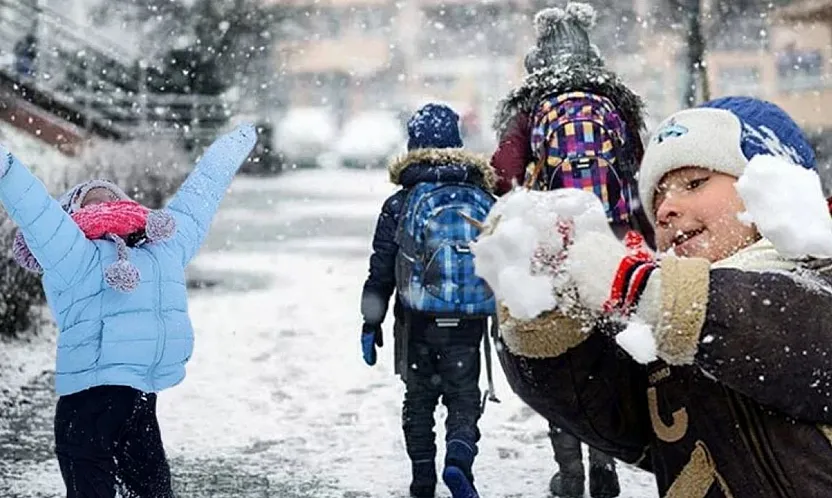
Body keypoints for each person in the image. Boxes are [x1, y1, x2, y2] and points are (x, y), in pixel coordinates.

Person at [495, 95, 832, 497]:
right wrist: (544, 312)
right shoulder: (667, 332)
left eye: (694, 183)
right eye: (657, 197)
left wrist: (644, 290)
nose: (667, 208)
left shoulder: (819, 277)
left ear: (774, 189)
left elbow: (795, 334)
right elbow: (601, 408)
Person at [3, 124, 256, 497]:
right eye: (90, 199)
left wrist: (227, 150)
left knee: (152, 490)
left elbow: (200, 197)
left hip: (139, 398)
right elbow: (36, 210)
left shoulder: (160, 249)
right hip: (86, 401)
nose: (102, 199)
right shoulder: (73, 254)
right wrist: (6, 166)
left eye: (111, 196)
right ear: (71, 216)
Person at [489, 3, 651, 496]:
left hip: (554, 244)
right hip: (616, 241)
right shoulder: (617, 104)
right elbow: (642, 172)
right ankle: (606, 462)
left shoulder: (530, 106)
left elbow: (503, 173)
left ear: (540, 58)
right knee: (608, 352)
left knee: (559, 353)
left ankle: (572, 471)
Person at [360, 103, 497, 498]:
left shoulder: (400, 203)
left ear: (413, 144)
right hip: (468, 321)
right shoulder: (480, 194)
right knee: (463, 397)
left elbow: (381, 269)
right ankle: (458, 461)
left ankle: (423, 478)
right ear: (457, 143)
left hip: (417, 321)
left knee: (418, 399)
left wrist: (371, 321)